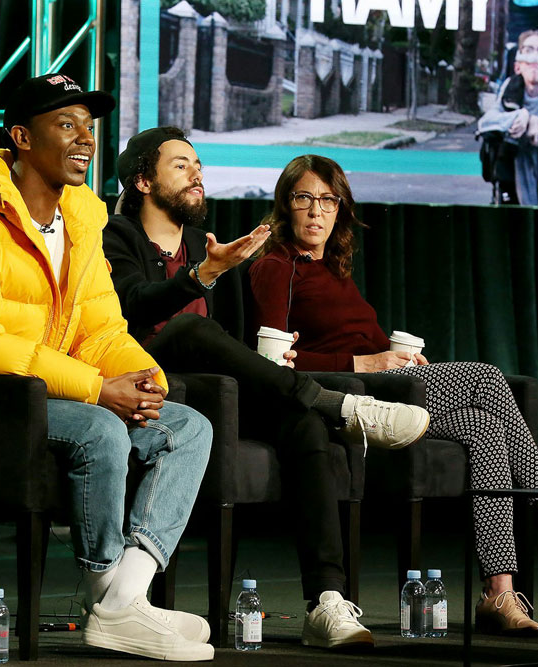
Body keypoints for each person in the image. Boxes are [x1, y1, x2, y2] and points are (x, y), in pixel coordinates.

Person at [0, 75, 215, 662]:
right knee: (101, 426)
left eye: (89, 126)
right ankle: (108, 593)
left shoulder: (81, 221)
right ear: (21, 137)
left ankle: (120, 601)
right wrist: (96, 389)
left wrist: (142, 381)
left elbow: (101, 328)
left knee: (187, 425)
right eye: (66, 125)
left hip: (39, 389)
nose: (85, 139)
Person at [248, 153, 538, 637]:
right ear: (285, 206)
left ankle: (499, 593)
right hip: (343, 401)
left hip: (384, 389)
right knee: (484, 377)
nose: (316, 211)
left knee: (485, 427)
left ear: (341, 210)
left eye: (328, 200)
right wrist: (364, 364)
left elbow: (352, 339)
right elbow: (270, 365)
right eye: (304, 198)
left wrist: (393, 359)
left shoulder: (331, 267)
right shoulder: (275, 265)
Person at [103, 126, 430, 651]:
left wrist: (269, 358)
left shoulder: (200, 243)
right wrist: (203, 274)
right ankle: (336, 403)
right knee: (188, 329)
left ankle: (326, 601)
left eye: (199, 166)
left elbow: (228, 339)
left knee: (302, 426)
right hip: (144, 383)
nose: (197, 175)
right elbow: (132, 306)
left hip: (216, 394)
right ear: (143, 180)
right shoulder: (115, 235)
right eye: (181, 166)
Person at [479, 29, 538, 206]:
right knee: (518, 138)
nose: (535, 57)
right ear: (517, 66)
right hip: (514, 165)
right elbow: (485, 124)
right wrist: (522, 116)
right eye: (528, 50)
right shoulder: (509, 88)